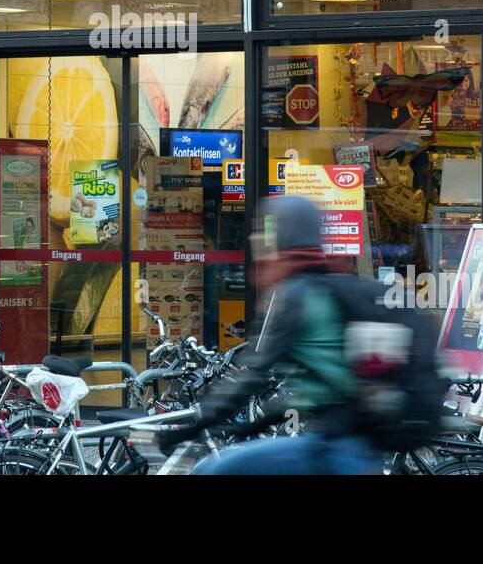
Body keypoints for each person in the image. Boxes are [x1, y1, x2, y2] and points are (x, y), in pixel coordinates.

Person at [156, 194, 380, 475]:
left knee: (214, 469)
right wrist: (250, 427)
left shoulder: (295, 297)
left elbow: (249, 379)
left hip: (331, 450)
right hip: (357, 450)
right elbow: (304, 393)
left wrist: (190, 428)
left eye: (265, 240)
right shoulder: (329, 289)